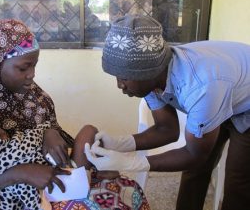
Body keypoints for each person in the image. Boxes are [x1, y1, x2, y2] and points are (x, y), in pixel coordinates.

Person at [0, 19, 150, 210]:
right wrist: (19, 174)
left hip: (55, 181)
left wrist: (50, 132)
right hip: (10, 199)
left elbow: (62, 151)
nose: (32, 75)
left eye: (34, 65)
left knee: (124, 191)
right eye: (23, 67)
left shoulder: (35, 99)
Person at [85, 14, 250, 210]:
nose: (120, 85)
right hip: (227, 85)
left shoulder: (200, 87)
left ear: (148, 73)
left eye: (124, 78)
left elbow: (194, 154)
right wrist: (121, 143)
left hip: (245, 102)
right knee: (194, 170)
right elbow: (167, 130)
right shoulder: (152, 74)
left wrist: (131, 162)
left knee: (237, 180)